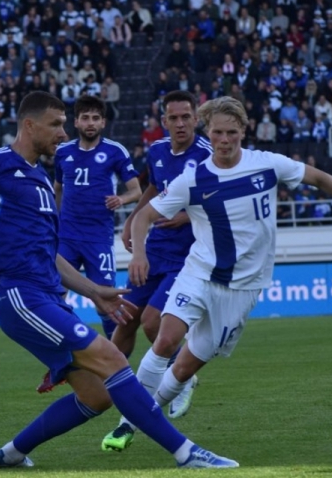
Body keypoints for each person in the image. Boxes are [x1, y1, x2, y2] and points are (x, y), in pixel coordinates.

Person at [0, 91, 238, 470]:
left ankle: (11, 453)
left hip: (48, 296)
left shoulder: (40, 178)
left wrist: (94, 291)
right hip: (22, 296)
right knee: (113, 357)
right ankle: (186, 453)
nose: (63, 132)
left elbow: (51, 254)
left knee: (97, 395)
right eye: (55, 124)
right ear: (29, 125)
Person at [122, 97, 332, 449]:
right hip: (199, 272)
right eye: (217, 133)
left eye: (231, 133)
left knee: (182, 370)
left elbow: (318, 177)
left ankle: (147, 411)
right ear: (207, 133)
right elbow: (146, 215)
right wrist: (139, 254)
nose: (224, 140)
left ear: (243, 131)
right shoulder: (193, 178)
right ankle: (127, 423)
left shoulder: (267, 165)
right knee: (164, 339)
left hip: (242, 288)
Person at [102, 91, 213, 453]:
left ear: (196, 118)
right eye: (173, 118)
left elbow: (221, 200)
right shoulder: (159, 151)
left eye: (186, 117)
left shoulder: (210, 156)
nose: (180, 124)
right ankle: (116, 389)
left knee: (153, 323)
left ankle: (184, 376)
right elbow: (153, 186)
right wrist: (135, 217)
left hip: (187, 256)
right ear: (163, 121)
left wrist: (185, 215)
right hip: (155, 252)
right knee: (124, 320)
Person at [36, 96, 141, 394]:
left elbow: (137, 190)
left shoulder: (114, 152)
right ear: (76, 121)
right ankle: (61, 364)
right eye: (85, 118)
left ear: (103, 122)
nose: (90, 123)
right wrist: (51, 223)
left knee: (106, 305)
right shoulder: (63, 152)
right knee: (54, 297)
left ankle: (117, 363)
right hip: (66, 237)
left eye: (96, 118)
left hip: (97, 238)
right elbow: (57, 189)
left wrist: (121, 199)